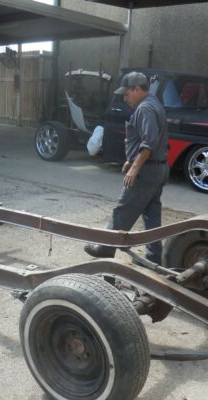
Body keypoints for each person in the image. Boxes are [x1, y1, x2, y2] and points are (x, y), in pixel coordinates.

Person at [84, 71, 169, 264]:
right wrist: (131, 160)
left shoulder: (145, 108)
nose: (125, 98)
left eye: (127, 93)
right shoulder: (154, 104)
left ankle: (105, 248)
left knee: (122, 210)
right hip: (157, 169)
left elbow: (149, 142)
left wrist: (134, 168)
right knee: (152, 215)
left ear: (137, 89)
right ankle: (154, 256)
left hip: (146, 172)